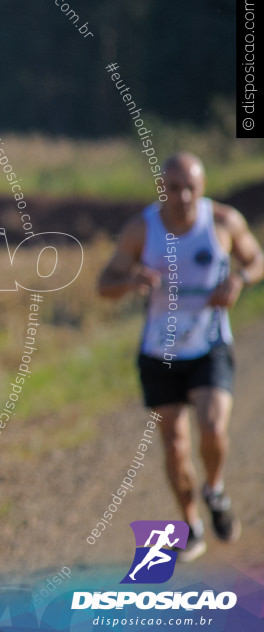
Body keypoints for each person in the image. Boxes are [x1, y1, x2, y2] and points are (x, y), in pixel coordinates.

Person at [97, 152, 263, 561]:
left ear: (202, 187)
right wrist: (131, 279)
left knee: (212, 426)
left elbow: (256, 260)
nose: (183, 195)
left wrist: (239, 279)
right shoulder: (142, 230)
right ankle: (191, 524)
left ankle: (215, 490)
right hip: (160, 350)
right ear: (162, 189)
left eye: (190, 187)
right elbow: (105, 283)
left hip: (209, 344)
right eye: (174, 188)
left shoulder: (223, 222)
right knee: (174, 447)